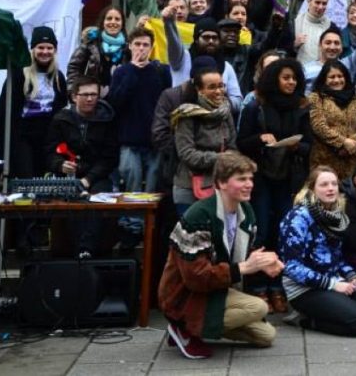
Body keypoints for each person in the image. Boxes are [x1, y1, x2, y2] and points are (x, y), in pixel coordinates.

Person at [159, 151, 281, 359]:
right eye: (241, 179)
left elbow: (239, 252)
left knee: (266, 336)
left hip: (216, 289)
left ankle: (202, 327)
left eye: (250, 178)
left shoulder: (246, 211)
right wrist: (244, 268)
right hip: (184, 295)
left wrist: (262, 262)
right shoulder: (199, 215)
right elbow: (196, 277)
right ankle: (183, 327)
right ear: (222, 183)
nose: (249, 184)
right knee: (259, 307)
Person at [236, 59, 311, 313]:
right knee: (262, 231)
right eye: (285, 78)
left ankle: (279, 286)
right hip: (261, 179)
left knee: (283, 232)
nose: (290, 83)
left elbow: (309, 146)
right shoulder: (256, 105)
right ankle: (258, 287)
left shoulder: (301, 106)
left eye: (294, 78)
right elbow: (241, 142)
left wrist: (295, 146)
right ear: (273, 79)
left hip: (288, 178)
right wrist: (259, 138)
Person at [277, 166, 356, 336]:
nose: (330, 188)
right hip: (305, 288)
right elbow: (291, 267)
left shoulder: (336, 215)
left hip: (334, 280)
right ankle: (303, 319)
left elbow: (337, 258)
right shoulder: (297, 217)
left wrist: (351, 276)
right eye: (324, 184)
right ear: (311, 189)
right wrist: (334, 285)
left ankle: (332, 309)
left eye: (334, 184)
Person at [107, 27, 172, 246]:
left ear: (152, 47)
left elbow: (166, 103)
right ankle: (131, 229)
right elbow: (115, 103)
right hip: (129, 139)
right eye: (137, 44)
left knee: (151, 188)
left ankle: (148, 229)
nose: (141, 49)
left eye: (145, 45)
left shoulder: (161, 71)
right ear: (130, 46)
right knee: (131, 184)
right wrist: (133, 71)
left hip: (154, 140)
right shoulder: (122, 72)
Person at [45, 75, 118, 258]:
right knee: (71, 201)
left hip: (97, 176)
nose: (90, 99)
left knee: (96, 201)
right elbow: (49, 152)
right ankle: (73, 252)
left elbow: (109, 158)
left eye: (94, 94)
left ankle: (87, 250)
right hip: (68, 175)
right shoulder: (61, 120)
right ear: (74, 97)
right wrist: (60, 164)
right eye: (85, 94)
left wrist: (88, 179)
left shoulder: (107, 120)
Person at [0, 26, 67, 179]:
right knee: (26, 176)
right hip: (22, 135)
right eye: (40, 47)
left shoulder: (58, 77)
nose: (45, 51)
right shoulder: (20, 73)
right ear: (33, 49)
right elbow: (5, 104)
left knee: (43, 177)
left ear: (55, 50)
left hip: (47, 136)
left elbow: (62, 108)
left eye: (49, 48)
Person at [170, 67, 237, 217]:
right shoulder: (186, 115)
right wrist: (219, 158)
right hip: (188, 187)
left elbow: (233, 147)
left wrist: (231, 156)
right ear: (199, 90)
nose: (219, 91)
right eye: (212, 87)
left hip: (220, 186)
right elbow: (186, 154)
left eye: (221, 86)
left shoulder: (225, 112)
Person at [308, 60, 356, 181]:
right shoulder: (316, 97)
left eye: (340, 76)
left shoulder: (354, 97)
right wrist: (343, 142)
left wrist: (352, 144)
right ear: (324, 79)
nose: (336, 80)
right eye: (332, 77)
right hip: (325, 159)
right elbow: (318, 126)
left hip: (352, 159)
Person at [67, 5, 126, 95]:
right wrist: (73, 93)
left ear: (122, 23)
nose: (113, 22)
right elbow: (74, 68)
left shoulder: (128, 47)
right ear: (103, 22)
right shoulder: (90, 44)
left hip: (120, 101)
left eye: (117, 19)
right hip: (92, 100)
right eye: (109, 18)